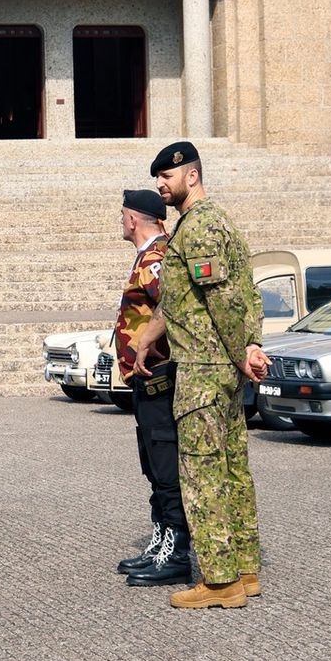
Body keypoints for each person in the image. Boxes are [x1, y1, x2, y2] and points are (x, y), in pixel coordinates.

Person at [131, 141, 268, 610]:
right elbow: (201, 297)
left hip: (203, 371)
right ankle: (245, 570)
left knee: (202, 474)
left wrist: (243, 353)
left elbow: (223, 300)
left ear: (192, 176)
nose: (160, 186)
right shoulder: (216, 221)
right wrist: (147, 338)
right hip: (220, 367)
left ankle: (219, 581)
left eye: (167, 177)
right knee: (233, 470)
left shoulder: (200, 227)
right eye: (158, 179)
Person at [113, 188, 195, 588]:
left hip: (159, 378)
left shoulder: (157, 258)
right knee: (153, 465)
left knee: (165, 468)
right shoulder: (148, 255)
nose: (120, 222)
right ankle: (161, 543)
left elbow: (173, 306)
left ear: (133, 219)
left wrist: (147, 342)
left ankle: (176, 555)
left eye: (122, 215)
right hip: (146, 381)